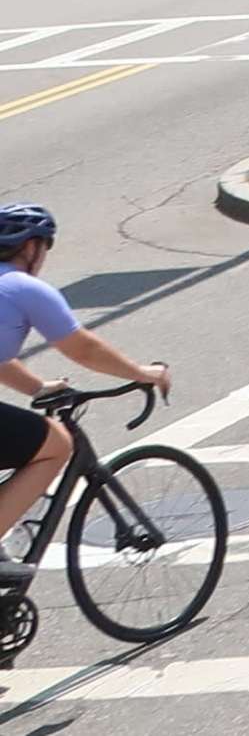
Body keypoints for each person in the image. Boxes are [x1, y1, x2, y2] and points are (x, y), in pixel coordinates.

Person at [0, 206, 171, 589]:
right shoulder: (23, 287)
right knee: (56, 444)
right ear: (30, 247)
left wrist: (38, 388)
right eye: (44, 248)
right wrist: (142, 374)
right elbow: (82, 349)